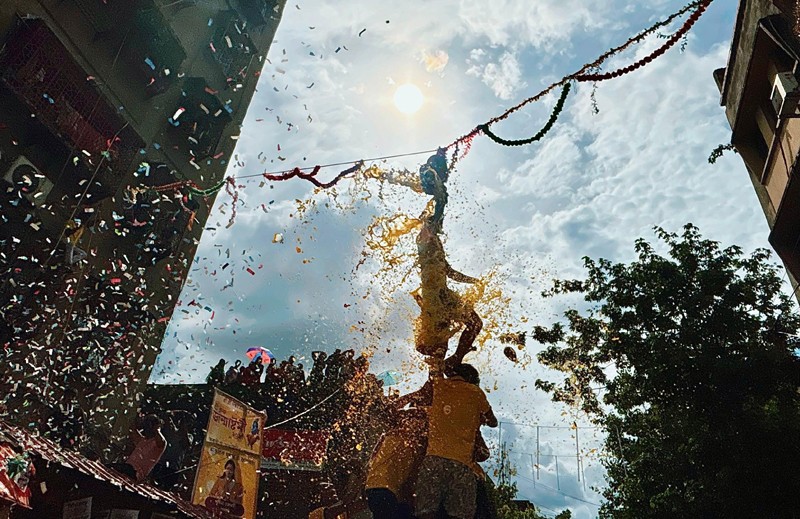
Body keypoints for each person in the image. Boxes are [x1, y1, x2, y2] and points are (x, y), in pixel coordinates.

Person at [415, 364, 497, 519]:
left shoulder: (439, 385)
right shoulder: (476, 392)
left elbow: (435, 369)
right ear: (472, 379)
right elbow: (493, 422)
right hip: (461, 465)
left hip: (433, 460)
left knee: (426, 513)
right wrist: (481, 417)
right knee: (459, 514)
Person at [415, 210, 483, 367]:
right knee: (438, 345)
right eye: (436, 222)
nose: (439, 225)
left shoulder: (437, 242)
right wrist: (439, 202)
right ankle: (437, 378)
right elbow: (426, 231)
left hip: (444, 295)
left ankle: (455, 360)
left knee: (475, 324)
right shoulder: (424, 238)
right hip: (435, 298)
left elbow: (449, 271)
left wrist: (472, 280)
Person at [114, 414, 167, 482]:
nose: (146, 428)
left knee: (119, 467)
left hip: (136, 473)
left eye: (149, 426)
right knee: (110, 467)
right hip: (127, 468)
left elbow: (162, 441)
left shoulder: (158, 444)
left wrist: (157, 429)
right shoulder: (142, 440)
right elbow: (133, 429)